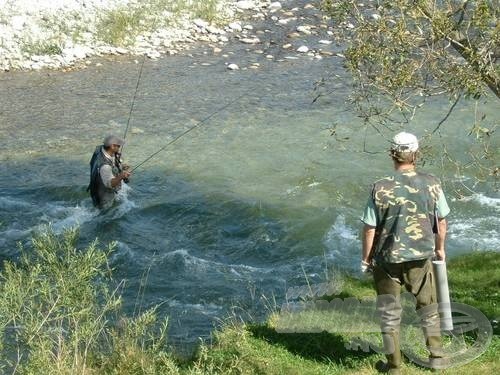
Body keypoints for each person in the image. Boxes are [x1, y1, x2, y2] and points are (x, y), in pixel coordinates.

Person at [360, 132, 450, 374]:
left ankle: (394, 366)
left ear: (392, 154)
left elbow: (370, 229)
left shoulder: (380, 188)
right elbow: (441, 222)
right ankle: (437, 358)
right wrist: (440, 249)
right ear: (416, 154)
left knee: (389, 314)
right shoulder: (432, 183)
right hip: (421, 257)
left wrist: (366, 259)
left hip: (387, 260)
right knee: (427, 308)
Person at [87, 135, 132, 209]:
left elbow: (111, 161)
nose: (120, 147)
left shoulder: (101, 149)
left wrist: (120, 166)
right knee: (106, 214)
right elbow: (110, 184)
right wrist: (121, 176)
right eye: (118, 146)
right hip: (104, 197)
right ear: (112, 146)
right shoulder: (105, 166)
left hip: (96, 187)